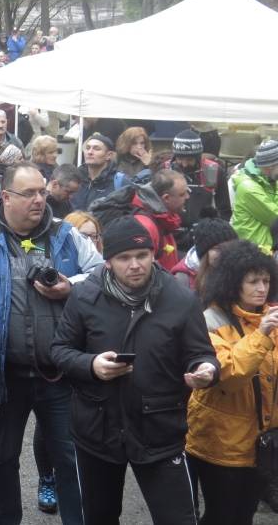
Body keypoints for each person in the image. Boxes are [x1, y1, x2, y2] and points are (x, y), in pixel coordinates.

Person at [0, 162, 104, 525]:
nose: (39, 200)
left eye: (42, 192)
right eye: (29, 193)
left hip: (60, 374)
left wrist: (71, 287)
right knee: (1, 457)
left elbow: (100, 275)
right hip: (4, 375)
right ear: (5, 197)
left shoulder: (67, 234)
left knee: (69, 456)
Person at [50, 215, 220, 524]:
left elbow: (201, 353)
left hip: (160, 429)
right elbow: (59, 351)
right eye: (124, 258)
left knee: (178, 518)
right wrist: (91, 365)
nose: (135, 264)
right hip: (98, 430)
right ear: (108, 262)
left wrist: (205, 369)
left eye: (142, 256)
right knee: (99, 517)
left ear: (153, 255)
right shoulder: (85, 296)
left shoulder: (181, 299)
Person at [180, 240, 278, 523]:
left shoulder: (268, 317)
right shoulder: (210, 320)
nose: (262, 288)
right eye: (253, 282)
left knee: (244, 514)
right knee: (222, 515)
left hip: (259, 442)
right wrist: (261, 336)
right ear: (234, 283)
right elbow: (229, 376)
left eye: (266, 280)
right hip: (219, 442)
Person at [166, 129, 231, 229]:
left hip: (204, 233)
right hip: (172, 231)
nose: (184, 164)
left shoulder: (214, 171)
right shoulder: (166, 171)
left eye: (189, 159)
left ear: (198, 157)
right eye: (179, 159)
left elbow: (224, 210)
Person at [232, 139, 278, 253]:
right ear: (271, 166)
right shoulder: (248, 188)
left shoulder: (268, 180)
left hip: (267, 247)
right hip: (255, 252)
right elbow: (275, 218)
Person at [171, 217, 237, 292]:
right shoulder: (182, 280)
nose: (224, 253)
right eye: (217, 249)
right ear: (204, 253)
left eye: (229, 247)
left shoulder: (237, 271)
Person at [71, 133, 129, 211]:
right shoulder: (74, 177)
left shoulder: (120, 181)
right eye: (87, 148)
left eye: (96, 149)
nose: (90, 152)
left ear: (109, 155)